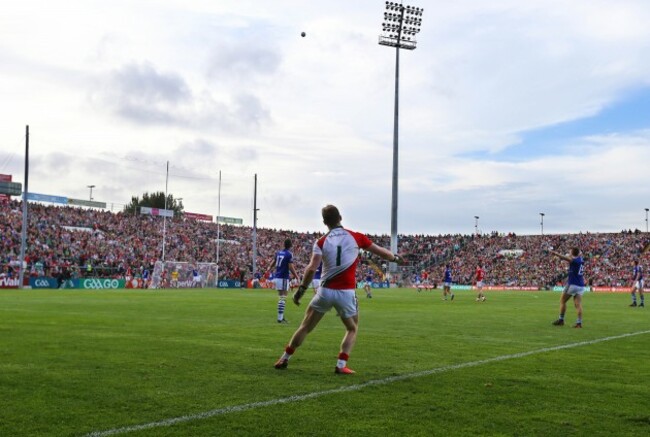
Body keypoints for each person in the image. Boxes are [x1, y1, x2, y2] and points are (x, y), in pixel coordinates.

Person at [274, 204, 404, 374]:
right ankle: (341, 365)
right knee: (352, 328)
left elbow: (311, 268)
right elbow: (383, 253)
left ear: (324, 222)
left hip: (325, 291)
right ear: (340, 218)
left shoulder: (321, 241)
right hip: (346, 292)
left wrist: (301, 291)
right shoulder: (356, 237)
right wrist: (395, 258)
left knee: (305, 327)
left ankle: (284, 358)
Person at [550, 247, 586, 328]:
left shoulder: (574, 261)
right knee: (578, 304)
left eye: (570, 252)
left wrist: (555, 253)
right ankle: (579, 323)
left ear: (572, 253)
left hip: (572, 284)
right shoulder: (580, 259)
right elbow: (576, 254)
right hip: (581, 286)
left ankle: (561, 320)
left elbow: (565, 258)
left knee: (562, 301)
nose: (569, 253)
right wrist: (574, 253)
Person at [267, 238, 299, 324]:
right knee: (283, 297)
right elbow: (290, 267)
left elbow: (273, 262)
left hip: (277, 276)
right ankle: (280, 319)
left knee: (281, 297)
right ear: (290, 245)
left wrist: (269, 268)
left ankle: (280, 317)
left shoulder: (278, 253)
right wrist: (296, 276)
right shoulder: (289, 254)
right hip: (284, 277)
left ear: (284, 244)